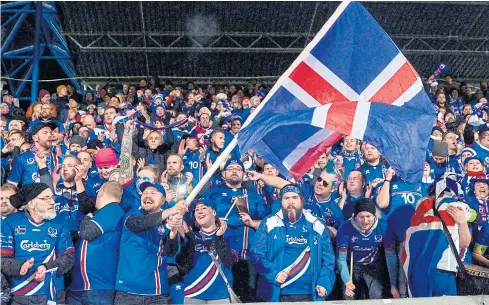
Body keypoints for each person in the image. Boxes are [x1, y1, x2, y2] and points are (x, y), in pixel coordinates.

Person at [252, 184, 335, 302]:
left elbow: (329, 259)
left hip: (310, 293)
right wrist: (273, 273)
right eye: (286, 198)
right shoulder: (269, 223)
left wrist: (324, 282)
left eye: (295, 197)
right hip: (277, 293)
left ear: (302, 201)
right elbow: (256, 254)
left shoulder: (316, 225)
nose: (291, 201)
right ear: (281, 201)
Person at [204, 158, 267, 302]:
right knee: (223, 295)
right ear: (223, 174)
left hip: (248, 255)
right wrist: (214, 221)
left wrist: (252, 222)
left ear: (243, 174)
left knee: (248, 295)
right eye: (230, 168)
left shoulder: (254, 195)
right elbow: (198, 216)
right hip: (221, 253)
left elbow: (266, 221)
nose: (234, 171)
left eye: (238, 169)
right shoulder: (213, 194)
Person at [1, 183, 74, 305]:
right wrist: (20, 266)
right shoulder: (11, 222)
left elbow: (69, 257)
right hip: (20, 293)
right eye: (45, 198)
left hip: (52, 293)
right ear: (31, 203)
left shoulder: (60, 222)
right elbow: (3, 260)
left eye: (52, 197)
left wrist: (46, 268)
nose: (52, 202)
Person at [113, 182, 185, 305]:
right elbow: (140, 224)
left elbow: (171, 252)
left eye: (153, 193)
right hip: (127, 292)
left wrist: (173, 233)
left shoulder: (167, 222)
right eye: (144, 193)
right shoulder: (132, 215)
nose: (147, 195)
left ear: (163, 200)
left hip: (156, 292)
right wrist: (171, 211)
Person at [67, 181, 125, 305]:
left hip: (98, 286)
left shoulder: (113, 210)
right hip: (81, 285)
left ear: (101, 192)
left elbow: (87, 233)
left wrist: (87, 218)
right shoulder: (103, 213)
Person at [336, 198, 399, 300]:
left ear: (374, 216)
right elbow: (341, 259)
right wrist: (347, 282)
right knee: (348, 295)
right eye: (361, 217)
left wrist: (393, 285)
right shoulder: (345, 229)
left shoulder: (384, 226)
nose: (365, 221)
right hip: (352, 264)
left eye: (368, 216)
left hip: (373, 264)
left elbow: (390, 257)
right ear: (355, 216)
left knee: (377, 295)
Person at [179, 198, 237, 304]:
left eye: (204, 208)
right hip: (193, 293)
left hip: (220, 295)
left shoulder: (228, 235)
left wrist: (219, 238)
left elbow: (230, 261)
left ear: (214, 212)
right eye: (196, 209)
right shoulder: (192, 237)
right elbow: (183, 265)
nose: (199, 211)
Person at [7, 121, 60, 186]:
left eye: (50, 133)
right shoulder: (22, 158)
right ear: (35, 138)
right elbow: (11, 185)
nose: (50, 135)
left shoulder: (57, 159)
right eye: (45, 133)